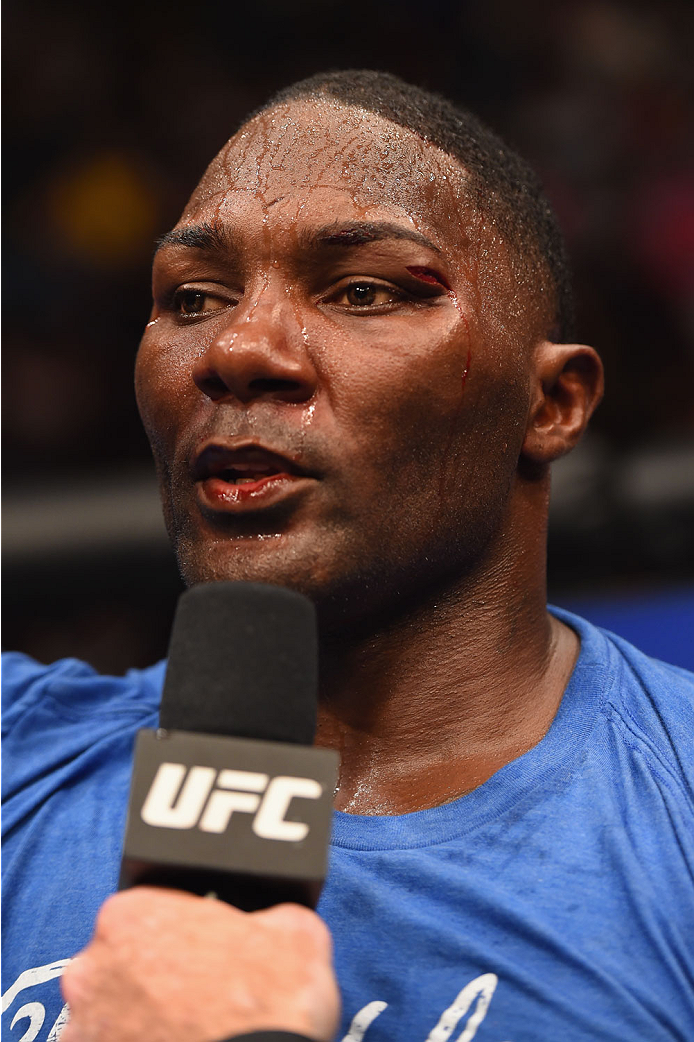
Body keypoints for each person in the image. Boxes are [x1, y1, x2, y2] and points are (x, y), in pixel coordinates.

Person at [2, 70, 692, 1042]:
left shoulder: (674, 810)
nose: (238, 348)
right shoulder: (19, 757)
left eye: (363, 290)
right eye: (193, 297)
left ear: (550, 404)